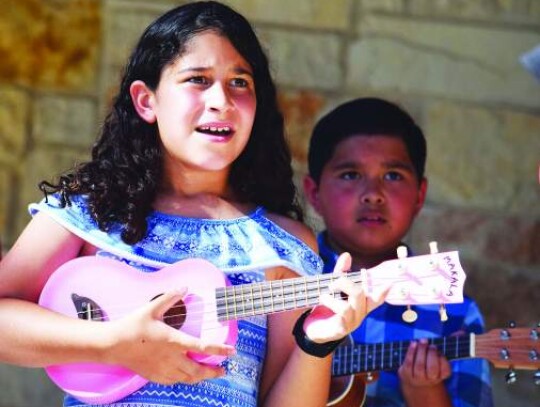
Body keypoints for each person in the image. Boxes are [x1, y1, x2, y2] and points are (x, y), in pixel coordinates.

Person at [0, 3, 379, 407]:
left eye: (240, 83)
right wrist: (112, 344)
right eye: (198, 79)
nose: (222, 100)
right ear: (146, 101)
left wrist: (316, 343)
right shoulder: (92, 208)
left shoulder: (282, 243)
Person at [303, 98, 494, 407]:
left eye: (393, 176)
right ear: (314, 193)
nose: (373, 195)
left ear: (420, 196)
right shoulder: (285, 279)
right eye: (351, 174)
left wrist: (424, 392)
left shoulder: (454, 313)